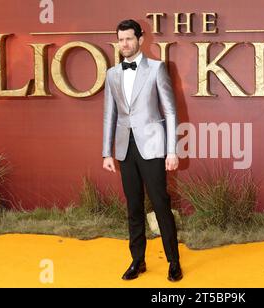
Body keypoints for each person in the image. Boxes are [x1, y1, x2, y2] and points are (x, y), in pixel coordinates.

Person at [102, 19, 182, 282]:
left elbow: (170, 111)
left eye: (128, 38)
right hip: (125, 148)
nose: (124, 43)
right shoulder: (112, 74)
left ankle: (173, 261)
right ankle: (138, 260)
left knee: (160, 204)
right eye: (120, 39)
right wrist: (106, 152)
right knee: (133, 206)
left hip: (153, 146)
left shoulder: (157, 69)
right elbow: (109, 116)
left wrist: (172, 151)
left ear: (140, 39)